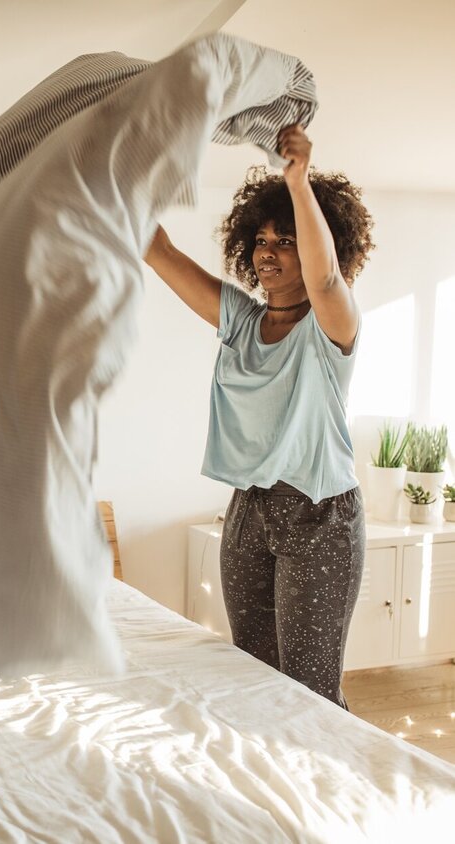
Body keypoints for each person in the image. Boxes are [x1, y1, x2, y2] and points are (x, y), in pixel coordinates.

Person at [144, 123, 376, 708]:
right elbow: (159, 250)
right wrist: (121, 180)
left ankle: (330, 791)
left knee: (310, 688)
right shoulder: (241, 321)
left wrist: (297, 181)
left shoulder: (331, 327)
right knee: (254, 673)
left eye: (287, 240)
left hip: (321, 516)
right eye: (263, 240)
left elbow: (323, 279)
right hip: (250, 509)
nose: (268, 252)